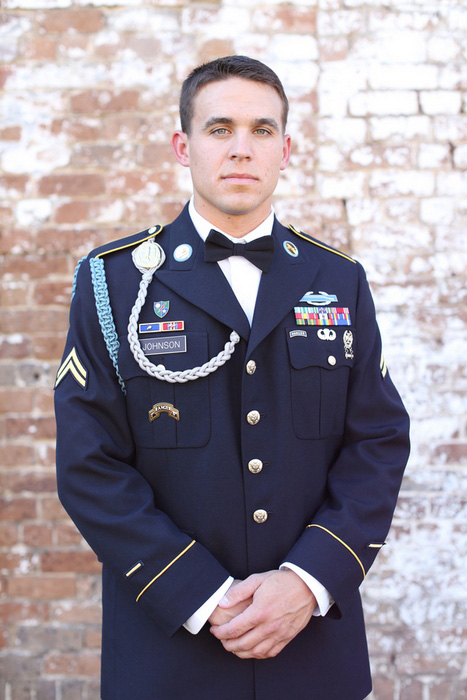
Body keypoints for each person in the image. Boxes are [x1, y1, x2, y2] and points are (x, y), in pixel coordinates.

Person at [54, 55, 410, 700]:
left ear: (286, 148)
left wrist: (308, 580)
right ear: (182, 147)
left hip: (313, 650)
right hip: (170, 653)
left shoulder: (338, 280)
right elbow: (89, 463)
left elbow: (377, 442)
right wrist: (203, 595)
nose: (242, 150)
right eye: (220, 129)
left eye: (262, 131)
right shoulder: (113, 283)